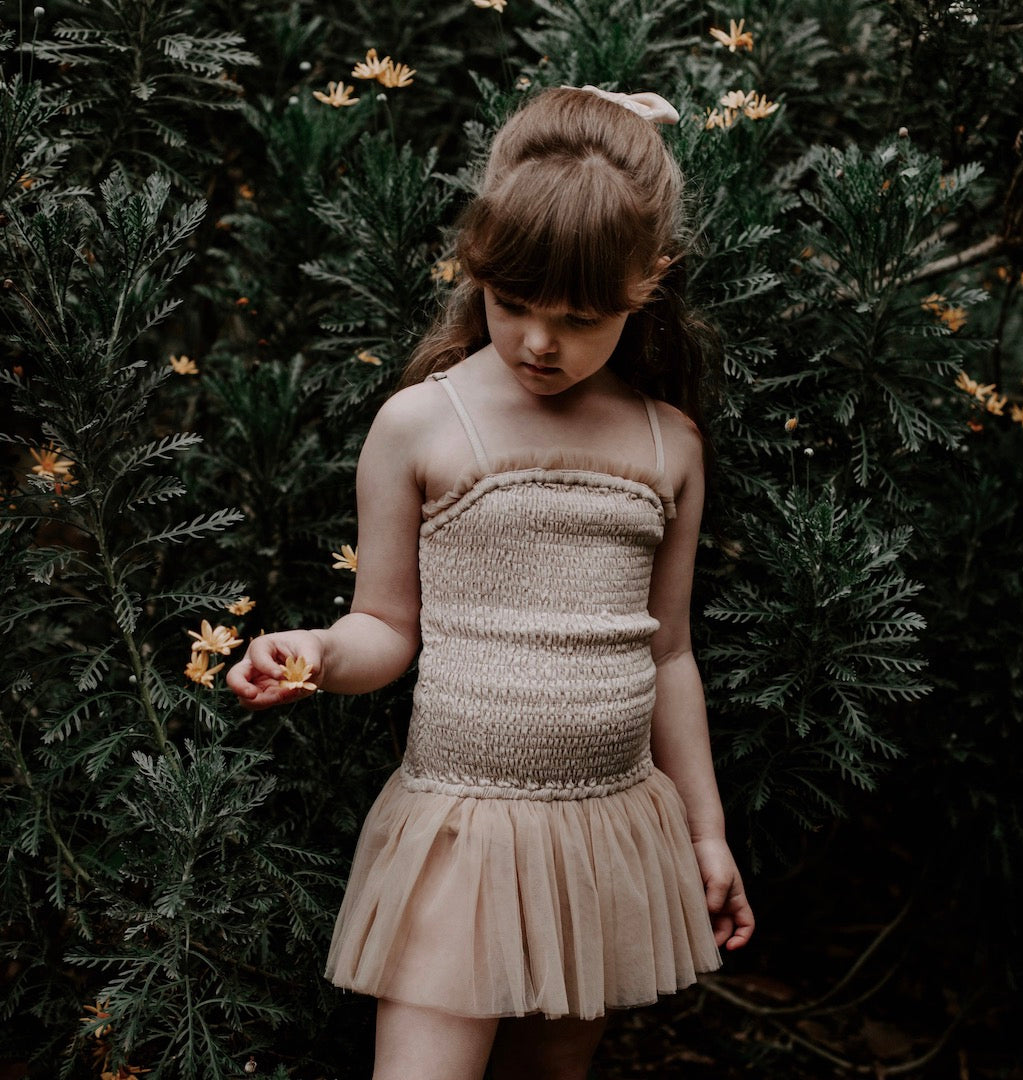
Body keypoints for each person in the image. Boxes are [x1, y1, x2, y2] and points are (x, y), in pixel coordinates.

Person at [227, 85, 754, 1080]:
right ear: (478, 270)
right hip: (461, 831)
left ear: (650, 282)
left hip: (608, 831)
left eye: (580, 317)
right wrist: (317, 657)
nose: (539, 343)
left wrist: (706, 831)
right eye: (512, 305)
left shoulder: (667, 442)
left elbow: (670, 652)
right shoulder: (423, 427)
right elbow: (386, 626)